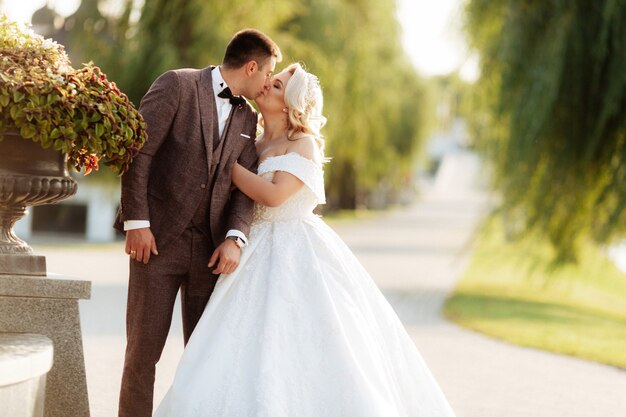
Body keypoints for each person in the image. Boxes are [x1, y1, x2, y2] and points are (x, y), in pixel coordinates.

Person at [153, 62, 457, 417]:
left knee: (301, 339)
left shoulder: (303, 144)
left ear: (291, 103)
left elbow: (274, 194)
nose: (267, 85)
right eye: (272, 79)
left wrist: (222, 165)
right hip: (254, 248)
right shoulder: (254, 138)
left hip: (295, 249)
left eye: (278, 86)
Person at [113, 29, 282, 417]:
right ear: (252, 66)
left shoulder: (247, 116)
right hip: (156, 244)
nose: (268, 82)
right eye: (268, 72)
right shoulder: (177, 84)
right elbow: (138, 154)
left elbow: (243, 187)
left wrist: (236, 238)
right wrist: (137, 222)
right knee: (142, 354)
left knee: (207, 359)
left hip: (210, 253)